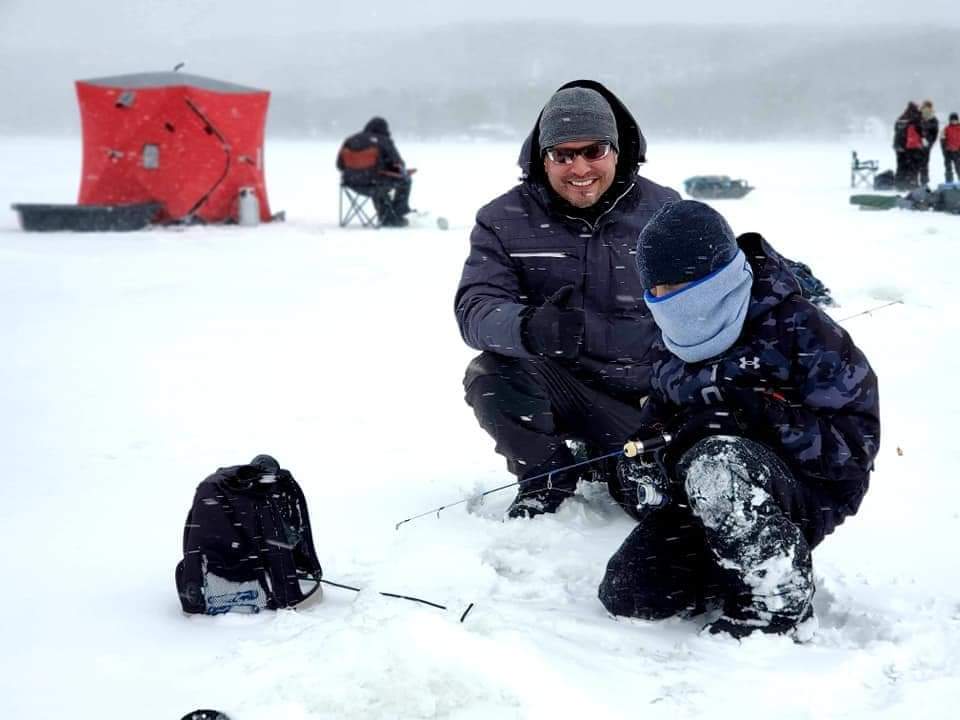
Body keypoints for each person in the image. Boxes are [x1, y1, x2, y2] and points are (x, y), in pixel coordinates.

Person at [597, 200, 880, 640]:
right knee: (630, 591)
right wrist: (647, 451)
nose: (668, 300)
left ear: (712, 278)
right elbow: (658, 415)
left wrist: (760, 416)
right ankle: (732, 569)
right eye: (659, 288)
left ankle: (777, 599)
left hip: (805, 491)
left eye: (679, 285)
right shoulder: (668, 340)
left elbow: (854, 450)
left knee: (717, 463)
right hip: (704, 494)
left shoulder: (800, 329)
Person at [454, 80, 681, 519]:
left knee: (657, 511)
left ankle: (618, 461)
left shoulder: (664, 210)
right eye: (563, 155)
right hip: (564, 387)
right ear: (544, 158)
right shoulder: (502, 219)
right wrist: (527, 326)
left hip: (649, 402)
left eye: (593, 151)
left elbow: (717, 291)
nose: (580, 168)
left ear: (617, 150)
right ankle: (547, 474)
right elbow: (475, 307)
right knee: (490, 372)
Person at [336, 117, 413, 227]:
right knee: (405, 180)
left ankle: (388, 216)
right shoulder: (383, 140)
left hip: (351, 184)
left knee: (375, 179)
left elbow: (339, 165)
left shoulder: (350, 140)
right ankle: (397, 214)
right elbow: (399, 164)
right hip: (374, 183)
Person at [893, 102, 924, 190]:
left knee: (901, 165)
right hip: (909, 146)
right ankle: (911, 184)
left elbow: (895, 128)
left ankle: (899, 185)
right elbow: (920, 131)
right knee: (913, 166)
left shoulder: (901, 117)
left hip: (898, 146)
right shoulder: (915, 118)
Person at [919, 100, 939, 187]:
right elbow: (935, 133)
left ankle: (920, 182)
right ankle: (923, 182)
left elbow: (934, 133)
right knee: (924, 164)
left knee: (919, 164)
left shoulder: (919, 117)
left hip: (920, 144)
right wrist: (930, 143)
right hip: (923, 144)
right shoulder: (933, 119)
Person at [941, 112, 960, 183]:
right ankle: (949, 181)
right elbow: (942, 140)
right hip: (948, 152)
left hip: (958, 151)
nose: (954, 121)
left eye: (955, 120)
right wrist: (944, 150)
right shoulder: (946, 128)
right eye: (952, 120)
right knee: (948, 167)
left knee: (958, 167)